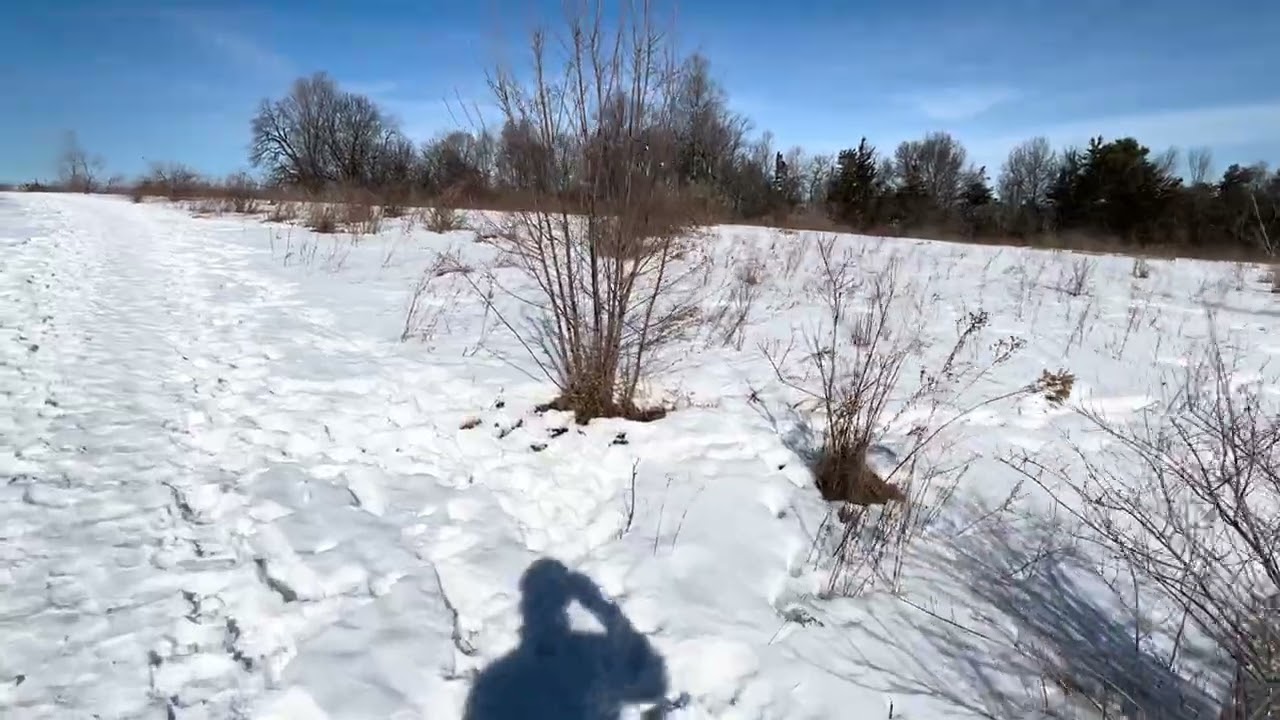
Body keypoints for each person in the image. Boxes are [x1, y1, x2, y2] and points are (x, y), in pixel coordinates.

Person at [462, 558, 669, 720]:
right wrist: (604, 609)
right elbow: (651, 679)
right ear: (567, 605)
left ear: (523, 609)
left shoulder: (496, 680)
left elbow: (652, 682)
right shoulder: (595, 659)